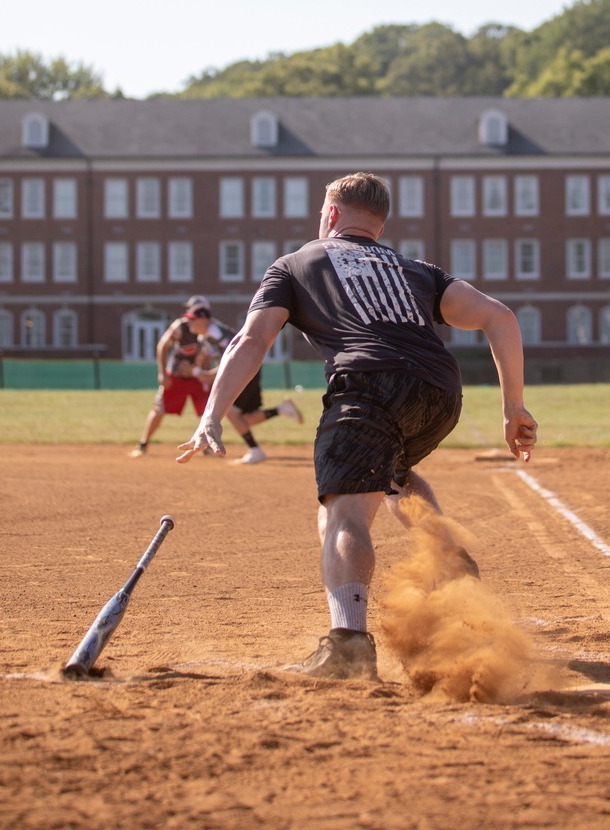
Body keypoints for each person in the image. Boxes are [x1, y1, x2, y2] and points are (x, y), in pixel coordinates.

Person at [177, 172, 537, 680]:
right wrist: (513, 409)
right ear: (380, 224)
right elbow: (500, 317)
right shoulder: (416, 269)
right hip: (439, 393)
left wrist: (212, 415)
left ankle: (346, 647)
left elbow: (250, 341)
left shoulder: (296, 264)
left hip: (369, 384)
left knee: (342, 512)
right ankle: (449, 560)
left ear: (331, 216)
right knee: (392, 472)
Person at [189, 296, 305, 465]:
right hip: (247, 369)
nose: (190, 323)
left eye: (193, 320)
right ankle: (281, 410)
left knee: (230, 412)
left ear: (204, 319)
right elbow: (219, 361)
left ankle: (255, 451)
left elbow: (234, 360)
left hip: (244, 369)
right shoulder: (205, 337)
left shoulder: (215, 333)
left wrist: (208, 375)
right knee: (245, 418)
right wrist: (203, 370)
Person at [130, 300, 213, 457]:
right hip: (176, 375)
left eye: (193, 310)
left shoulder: (212, 329)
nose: (190, 315)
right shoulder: (180, 326)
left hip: (199, 378)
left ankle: (207, 446)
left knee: (209, 412)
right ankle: (143, 444)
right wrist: (162, 373)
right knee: (159, 409)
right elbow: (162, 346)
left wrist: (208, 374)